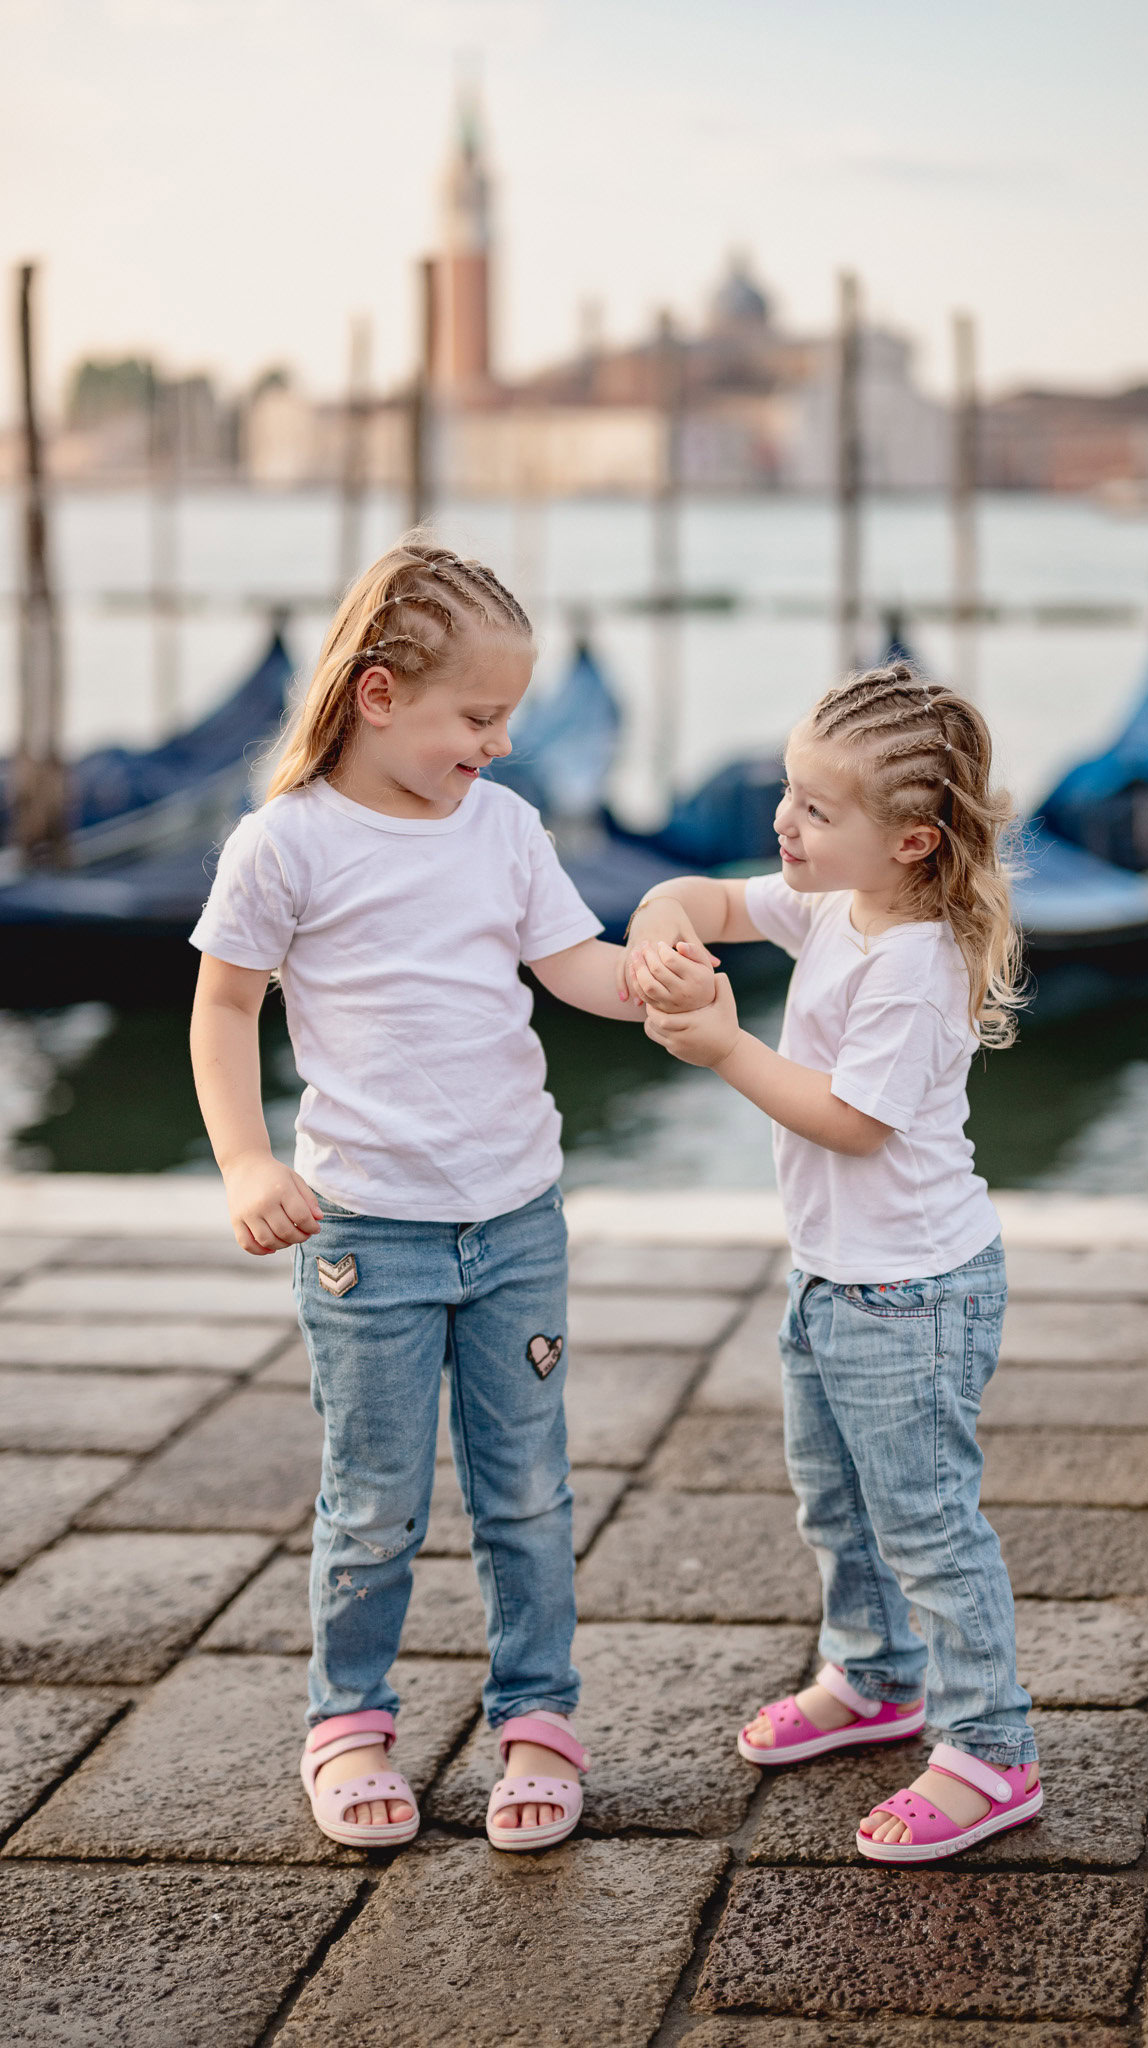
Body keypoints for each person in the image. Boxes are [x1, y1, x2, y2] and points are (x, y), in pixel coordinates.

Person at [188, 537, 713, 1854]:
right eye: (478, 717)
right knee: (372, 1496)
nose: (502, 743)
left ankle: (537, 1719)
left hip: (514, 1220)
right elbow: (223, 1007)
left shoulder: (507, 828)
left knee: (525, 1488)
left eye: (509, 716)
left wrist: (647, 984)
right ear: (377, 695)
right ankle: (348, 1725)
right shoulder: (284, 844)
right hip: (362, 1229)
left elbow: (571, 964)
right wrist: (250, 1163)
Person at [622, 661, 1041, 1863]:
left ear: (910, 840)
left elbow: (855, 1119)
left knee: (926, 1522)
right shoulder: (833, 901)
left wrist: (722, 1045)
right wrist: (660, 922)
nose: (783, 823)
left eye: (815, 808)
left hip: (912, 1289)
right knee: (836, 1500)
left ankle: (991, 1747)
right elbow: (702, 895)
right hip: (831, 1276)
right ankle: (875, 1675)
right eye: (790, 793)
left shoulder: (911, 962)